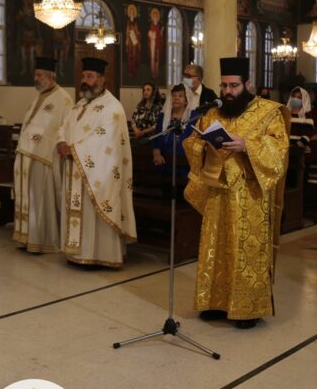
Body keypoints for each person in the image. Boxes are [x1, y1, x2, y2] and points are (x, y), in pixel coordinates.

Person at [183, 57, 290, 329]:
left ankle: (248, 308)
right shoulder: (213, 113)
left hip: (250, 196)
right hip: (217, 193)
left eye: (234, 86)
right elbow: (192, 142)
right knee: (216, 246)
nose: (228, 92)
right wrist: (202, 146)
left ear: (247, 84)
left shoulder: (269, 112)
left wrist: (247, 146)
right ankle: (215, 302)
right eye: (224, 86)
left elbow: (279, 149)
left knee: (245, 250)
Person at [55, 57, 137, 267]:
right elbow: (64, 126)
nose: (85, 81)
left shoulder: (113, 107)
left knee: (94, 213)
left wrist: (73, 149)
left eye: (90, 76)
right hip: (75, 168)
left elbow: (104, 138)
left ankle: (100, 255)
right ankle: (76, 253)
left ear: (102, 79)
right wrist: (61, 141)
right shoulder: (80, 105)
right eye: (83, 76)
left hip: (99, 172)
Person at [13, 57, 73, 253]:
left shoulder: (63, 99)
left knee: (40, 199)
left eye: (39, 75)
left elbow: (65, 128)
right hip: (28, 154)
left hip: (45, 157)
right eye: (35, 75)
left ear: (50, 76)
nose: (36, 78)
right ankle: (26, 237)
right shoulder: (39, 97)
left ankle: (42, 239)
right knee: (28, 198)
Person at [151, 83, 196, 177]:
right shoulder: (163, 117)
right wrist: (156, 154)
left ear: (186, 101)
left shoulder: (193, 117)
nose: (176, 98)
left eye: (180, 96)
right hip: (164, 163)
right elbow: (156, 138)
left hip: (185, 166)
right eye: (174, 95)